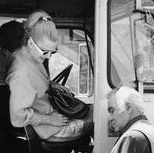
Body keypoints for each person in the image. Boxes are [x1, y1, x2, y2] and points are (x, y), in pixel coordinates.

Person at [6, 10, 93, 141]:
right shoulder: (21, 71)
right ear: (30, 43)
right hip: (49, 128)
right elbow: (17, 116)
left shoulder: (32, 58)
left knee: (91, 110)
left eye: (53, 52)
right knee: (96, 117)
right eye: (45, 51)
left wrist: (52, 84)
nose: (48, 56)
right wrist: (50, 119)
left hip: (51, 115)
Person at [0, 20, 25, 85]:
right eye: (18, 38)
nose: (22, 42)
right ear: (3, 39)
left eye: (24, 38)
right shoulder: (0, 61)